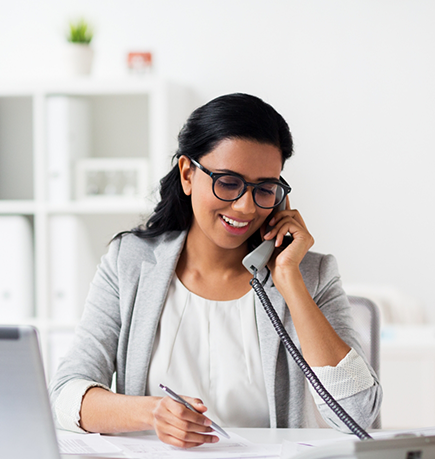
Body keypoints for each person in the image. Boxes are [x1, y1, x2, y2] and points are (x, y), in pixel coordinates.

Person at [49, 93, 382, 448]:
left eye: (265, 189)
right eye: (228, 182)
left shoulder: (310, 273)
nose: (244, 206)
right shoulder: (130, 263)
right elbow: (67, 395)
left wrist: (289, 281)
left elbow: (360, 414)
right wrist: (152, 413)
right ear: (188, 174)